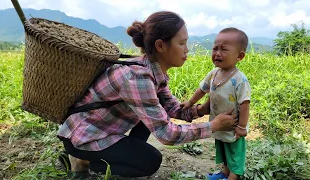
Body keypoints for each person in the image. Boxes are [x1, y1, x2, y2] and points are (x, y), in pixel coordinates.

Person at [57, 11, 237, 178]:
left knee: (152, 121)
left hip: (101, 130)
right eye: (181, 43)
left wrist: (200, 110)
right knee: (149, 161)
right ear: (160, 45)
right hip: (86, 137)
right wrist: (213, 126)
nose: (187, 49)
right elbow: (167, 134)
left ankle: (113, 155)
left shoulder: (151, 69)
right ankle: (85, 162)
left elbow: (171, 108)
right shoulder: (138, 78)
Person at [181, 27, 251, 180]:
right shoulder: (213, 74)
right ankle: (224, 173)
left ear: (239, 56)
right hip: (218, 123)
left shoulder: (240, 80)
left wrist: (242, 127)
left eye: (224, 50)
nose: (217, 53)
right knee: (223, 149)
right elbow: (202, 89)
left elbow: (245, 105)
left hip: (233, 126)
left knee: (234, 155)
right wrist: (191, 102)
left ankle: (233, 176)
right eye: (215, 48)